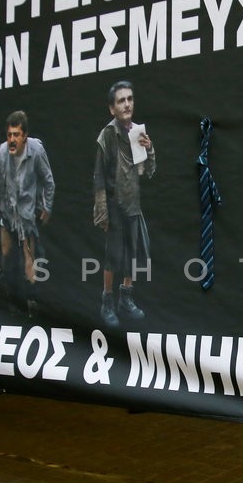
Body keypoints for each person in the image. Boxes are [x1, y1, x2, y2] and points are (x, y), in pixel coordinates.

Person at [93, 80, 156, 328]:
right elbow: (98, 175)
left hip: (133, 203)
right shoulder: (107, 135)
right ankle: (107, 301)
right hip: (114, 204)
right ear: (112, 108)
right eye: (121, 100)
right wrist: (102, 210)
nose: (127, 104)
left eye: (130, 98)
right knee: (113, 255)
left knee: (133, 252)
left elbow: (147, 171)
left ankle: (125, 299)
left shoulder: (137, 132)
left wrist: (149, 150)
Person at [0, 111, 55, 318]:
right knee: (7, 258)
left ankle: (33, 303)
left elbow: (48, 181)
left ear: (24, 135)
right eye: (9, 135)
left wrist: (46, 206)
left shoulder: (36, 151)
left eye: (16, 134)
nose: (12, 139)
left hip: (27, 216)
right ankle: (13, 303)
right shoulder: (1, 152)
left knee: (29, 262)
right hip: (7, 213)